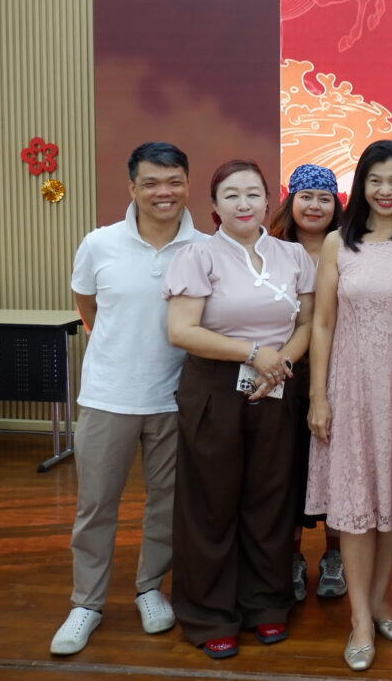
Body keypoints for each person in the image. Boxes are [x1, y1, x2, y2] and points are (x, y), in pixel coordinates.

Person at [50, 142, 205, 656]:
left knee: (167, 504)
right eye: (152, 183)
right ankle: (86, 603)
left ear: (187, 184)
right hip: (108, 396)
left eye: (175, 181)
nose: (165, 192)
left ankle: (149, 589)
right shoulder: (99, 243)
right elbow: (87, 304)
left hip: (175, 398)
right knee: (96, 505)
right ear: (132, 187)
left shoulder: (205, 248)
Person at [164, 159, 315, 659]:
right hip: (214, 388)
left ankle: (266, 603)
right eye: (231, 195)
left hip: (278, 386)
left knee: (270, 500)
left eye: (253, 193)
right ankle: (210, 613)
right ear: (214, 206)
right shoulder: (197, 255)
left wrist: (280, 363)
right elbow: (181, 331)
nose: (243, 203)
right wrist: (253, 354)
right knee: (211, 503)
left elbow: (307, 325)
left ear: (269, 201)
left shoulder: (294, 255)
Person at [305, 141, 392, 671]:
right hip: (351, 389)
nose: (386, 191)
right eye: (375, 180)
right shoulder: (338, 244)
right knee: (357, 507)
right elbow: (322, 323)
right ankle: (360, 619)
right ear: (361, 185)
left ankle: (382, 598)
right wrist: (319, 396)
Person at [269, 164, 348, 603]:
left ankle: (335, 556)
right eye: (306, 197)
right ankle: (293, 557)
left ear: (336, 204)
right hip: (286, 374)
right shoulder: (272, 249)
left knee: (337, 466)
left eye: (324, 198)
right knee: (290, 468)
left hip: (341, 373)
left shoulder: (350, 247)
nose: (315, 206)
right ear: (291, 201)